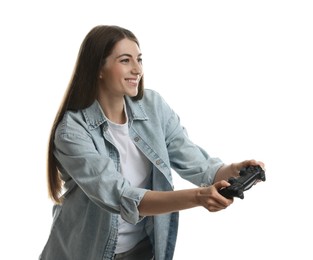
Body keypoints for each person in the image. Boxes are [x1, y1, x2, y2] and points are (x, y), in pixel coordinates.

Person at [39, 25, 265, 260]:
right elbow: (123, 197)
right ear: (98, 68)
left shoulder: (153, 107)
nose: (137, 69)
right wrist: (198, 197)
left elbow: (198, 164)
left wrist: (233, 171)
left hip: (142, 249)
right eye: (125, 61)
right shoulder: (72, 132)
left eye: (139, 59)